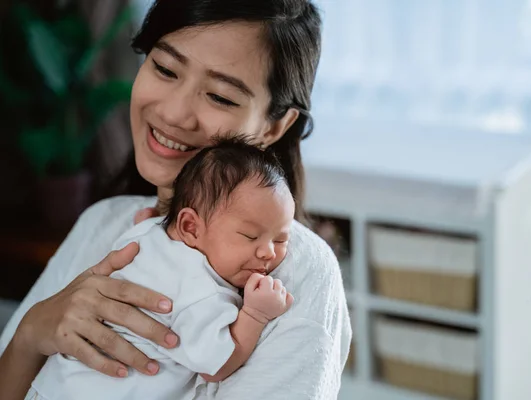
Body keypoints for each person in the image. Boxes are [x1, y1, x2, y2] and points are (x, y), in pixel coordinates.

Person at [0, 1, 351, 399]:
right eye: (165, 69)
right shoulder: (104, 222)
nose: (174, 113)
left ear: (275, 125)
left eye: (220, 96)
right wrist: (31, 334)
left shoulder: (296, 275)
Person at [26, 137, 296, 400]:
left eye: (281, 240)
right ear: (190, 227)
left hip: (53, 383)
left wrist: (147, 224)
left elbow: (141, 231)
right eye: (250, 236)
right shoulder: (203, 293)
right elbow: (217, 366)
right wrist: (256, 314)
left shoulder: (146, 231)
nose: (269, 252)